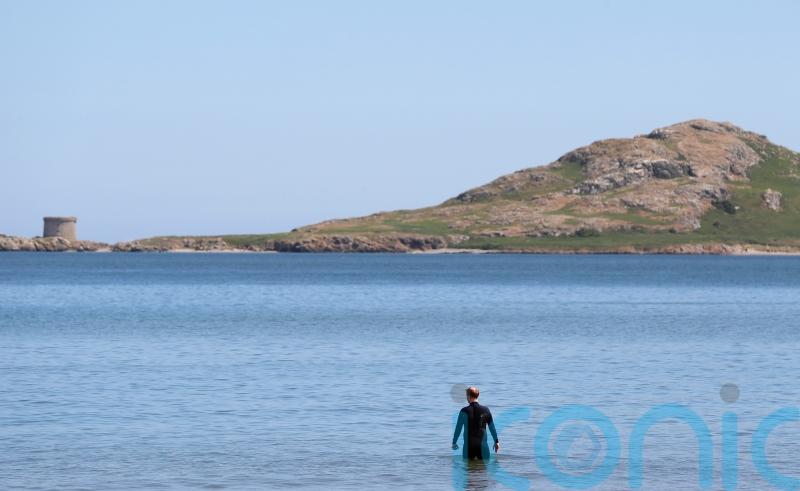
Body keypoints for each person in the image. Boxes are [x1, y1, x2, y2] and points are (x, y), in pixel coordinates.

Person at [451, 386, 500, 460]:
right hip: (482, 446)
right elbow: (491, 427)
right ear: (478, 395)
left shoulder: (464, 411)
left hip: (468, 447)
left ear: (469, 396)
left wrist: (454, 442)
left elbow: (458, 428)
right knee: (483, 469)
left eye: (466, 395)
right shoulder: (486, 410)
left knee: (469, 469)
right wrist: (496, 441)